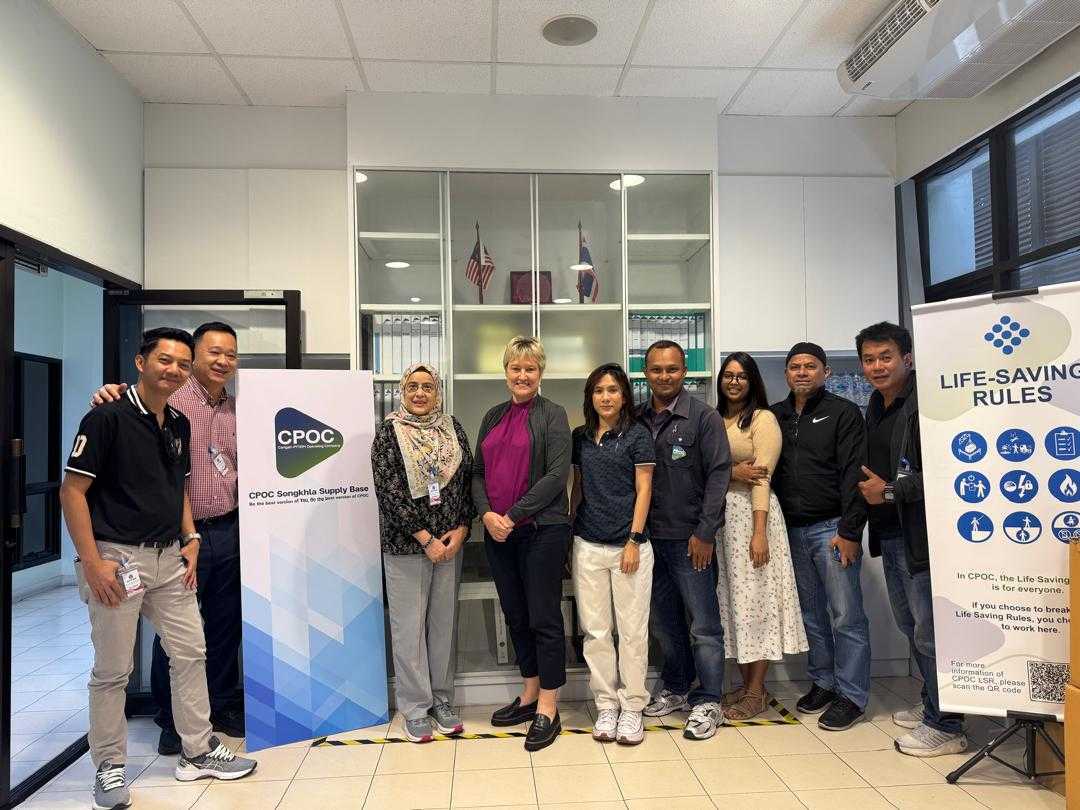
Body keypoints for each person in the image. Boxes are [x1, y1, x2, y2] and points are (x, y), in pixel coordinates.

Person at [60, 327, 255, 810]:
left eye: (181, 364)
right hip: (117, 558)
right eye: (166, 360)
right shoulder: (106, 416)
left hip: (171, 556)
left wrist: (189, 539)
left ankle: (197, 750)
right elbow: (72, 492)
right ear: (141, 361)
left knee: (191, 652)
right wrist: (93, 563)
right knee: (113, 670)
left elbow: (178, 487)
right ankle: (109, 766)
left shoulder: (177, 423)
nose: (174, 370)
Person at [91, 321, 245, 755]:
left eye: (231, 355)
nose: (223, 361)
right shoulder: (168, 399)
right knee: (172, 633)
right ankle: (171, 720)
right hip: (177, 536)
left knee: (223, 625)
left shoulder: (238, 409)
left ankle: (220, 705)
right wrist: (106, 393)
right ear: (195, 356)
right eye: (214, 352)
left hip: (229, 528)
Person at [856, 321, 967, 757]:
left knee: (929, 633)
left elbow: (945, 472)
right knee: (911, 627)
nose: (877, 366)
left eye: (885, 357)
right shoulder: (876, 404)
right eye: (869, 359)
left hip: (921, 537)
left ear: (907, 358)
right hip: (890, 534)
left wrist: (887, 492)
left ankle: (947, 725)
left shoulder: (926, 405)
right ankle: (932, 705)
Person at [472, 336, 572, 752]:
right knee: (515, 615)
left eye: (530, 368)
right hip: (498, 533)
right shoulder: (493, 416)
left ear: (541, 372)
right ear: (506, 371)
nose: (523, 375)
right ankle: (530, 692)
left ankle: (549, 705)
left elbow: (556, 476)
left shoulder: (554, 414)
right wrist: (486, 515)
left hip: (541, 531)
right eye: (516, 368)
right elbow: (477, 473)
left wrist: (511, 516)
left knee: (544, 617)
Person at [371, 363, 475, 743]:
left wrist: (462, 529)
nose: (419, 393)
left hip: (450, 545)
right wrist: (425, 538)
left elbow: (468, 481)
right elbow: (389, 492)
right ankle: (415, 708)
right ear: (403, 391)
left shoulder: (453, 428)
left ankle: (441, 700)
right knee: (409, 629)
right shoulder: (389, 433)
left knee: (443, 626)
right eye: (412, 386)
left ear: (437, 392)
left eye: (427, 387)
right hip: (407, 546)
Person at [770, 342, 870, 731]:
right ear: (786, 374)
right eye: (795, 366)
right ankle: (824, 683)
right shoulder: (776, 416)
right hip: (791, 531)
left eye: (810, 366)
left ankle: (852, 696)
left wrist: (850, 531)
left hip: (832, 529)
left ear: (825, 372)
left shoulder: (843, 413)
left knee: (846, 616)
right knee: (811, 614)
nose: (802, 372)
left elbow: (854, 474)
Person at [639, 340, 732, 741]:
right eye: (657, 369)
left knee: (704, 626)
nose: (664, 376)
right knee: (664, 624)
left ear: (684, 371)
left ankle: (709, 699)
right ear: (646, 373)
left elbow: (719, 476)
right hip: (649, 541)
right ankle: (677, 688)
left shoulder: (704, 417)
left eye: (672, 369)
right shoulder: (637, 418)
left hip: (691, 541)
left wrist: (705, 532)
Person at [714, 353, 807, 722]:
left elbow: (761, 478)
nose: (734, 382)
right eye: (729, 375)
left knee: (756, 603)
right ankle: (748, 686)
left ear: (752, 381)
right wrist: (731, 471)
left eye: (742, 376)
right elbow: (704, 470)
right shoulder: (714, 418)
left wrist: (758, 533)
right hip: (721, 523)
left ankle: (756, 692)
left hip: (753, 519)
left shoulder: (762, 419)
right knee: (734, 605)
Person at [570, 363, 655, 745]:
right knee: (596, 632)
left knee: (632, 632)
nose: (606, 397)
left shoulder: (638, 435)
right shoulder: (581, 437)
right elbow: (579, 487)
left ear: (625, 396)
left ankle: (633, 707)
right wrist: (571, 531)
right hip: (588, 545)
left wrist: (634, 540)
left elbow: (645, 489)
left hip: (629, 547)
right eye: (599, 390)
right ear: (590, 397)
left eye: (613, 390)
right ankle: (606, 705)